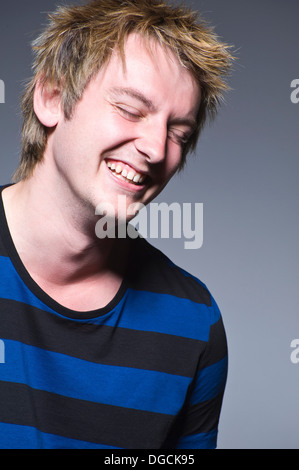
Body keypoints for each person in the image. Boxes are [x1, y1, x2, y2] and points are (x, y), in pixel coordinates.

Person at [0, 0, 233, 449]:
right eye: (130, 109)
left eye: (178, 133)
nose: (155, 147)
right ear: (51, 97)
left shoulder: (193, 322)